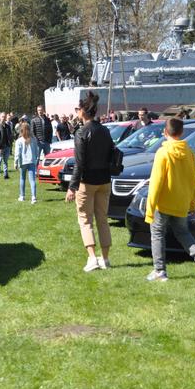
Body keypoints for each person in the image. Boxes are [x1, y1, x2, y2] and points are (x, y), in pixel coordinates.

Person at [144, 117, 195, 281]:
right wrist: (194, 201)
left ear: (165, 132)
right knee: (183, 233)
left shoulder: (163, 153)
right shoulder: (189, 152)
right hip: (182, 201)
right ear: (182, 132)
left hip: (164, 202)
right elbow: (193, 179)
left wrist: (150, 207)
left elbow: (156, 181)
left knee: (157, 234)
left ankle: (159, 270)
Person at [65, 92, 114, 272]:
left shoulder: (81, 132)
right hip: (105, 180)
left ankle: (92, 258)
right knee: (103, 219)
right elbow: (111, 155)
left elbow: (79, 163)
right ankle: (105, 259)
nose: (77, 112)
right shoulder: (105, 130)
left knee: (85, 220)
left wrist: (72, 187)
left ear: (84, 111)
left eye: (78, 109)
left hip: (87, 181)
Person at [14, 122, 40, 204]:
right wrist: (37, 159)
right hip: (32, 161)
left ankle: (22, 196)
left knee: (22, 179)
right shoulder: (34, 139)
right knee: (32, 180)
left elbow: (17, 153)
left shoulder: (19, 141)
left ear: (21, 130)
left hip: (23, 162)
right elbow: (37, 151)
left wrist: (15, 163)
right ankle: (34, 197)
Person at [0, 112, 13, 179]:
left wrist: (10, 145)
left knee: (5, 161)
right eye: (2, 116)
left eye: (4, 116)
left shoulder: (8, 126)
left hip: (7, 146)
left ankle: (6, 175)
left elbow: (10, 136)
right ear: (0, 117)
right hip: (0, 147)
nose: (3, 118)